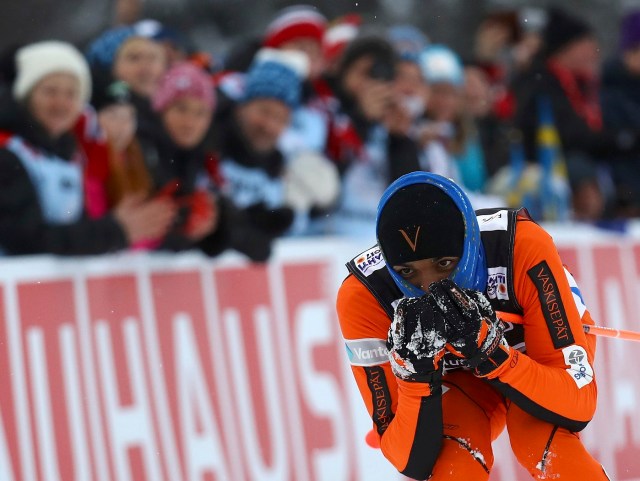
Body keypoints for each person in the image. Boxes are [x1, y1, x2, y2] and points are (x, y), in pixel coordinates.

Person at [336, 171, 610, 480]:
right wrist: (416, 378)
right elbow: (409, 460)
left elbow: (579, 403)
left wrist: (495, 356)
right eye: (407, 272)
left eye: (443, 264)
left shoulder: (522, 247)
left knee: (541, 443)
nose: (428, 286)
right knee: (454, 461)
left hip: (536, 357)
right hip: (460, 383)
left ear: (468, 246)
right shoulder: (364, 297)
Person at [0, 40, 175, 256]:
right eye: (50, 92)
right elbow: (26, 239)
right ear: (27, 96)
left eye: (71, 94)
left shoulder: (70, 154)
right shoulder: (8, 153)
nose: (61, 103)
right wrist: (115, 231)